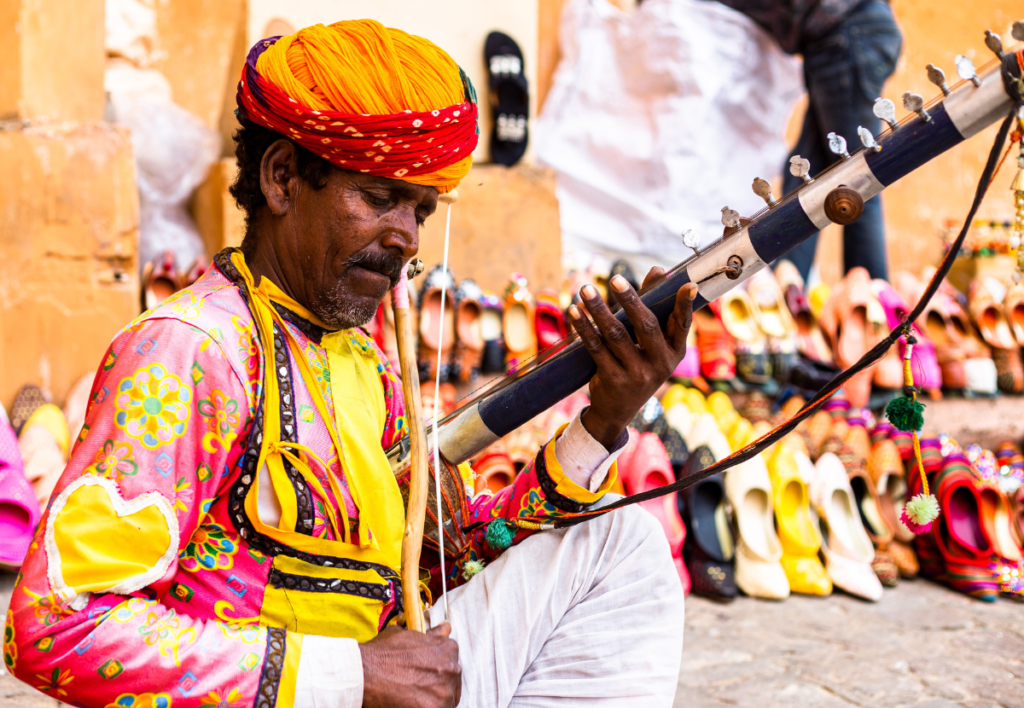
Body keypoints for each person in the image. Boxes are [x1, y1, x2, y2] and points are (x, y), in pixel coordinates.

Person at [5, 20, 695, 708]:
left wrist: (602, 422)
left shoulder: (363, 360)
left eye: (420, 209)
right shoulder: (191, 351)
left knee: (623, 544)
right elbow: (56, 627)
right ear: (282, 179)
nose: (405, 236)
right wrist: (348, 675)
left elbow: (443, 566)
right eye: (380, 197)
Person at [712, 0, 903, 281]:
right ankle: (790, 286)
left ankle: (869, 303)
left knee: (859, 179)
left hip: (847, 35)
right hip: (843, 36)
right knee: (807, 176)